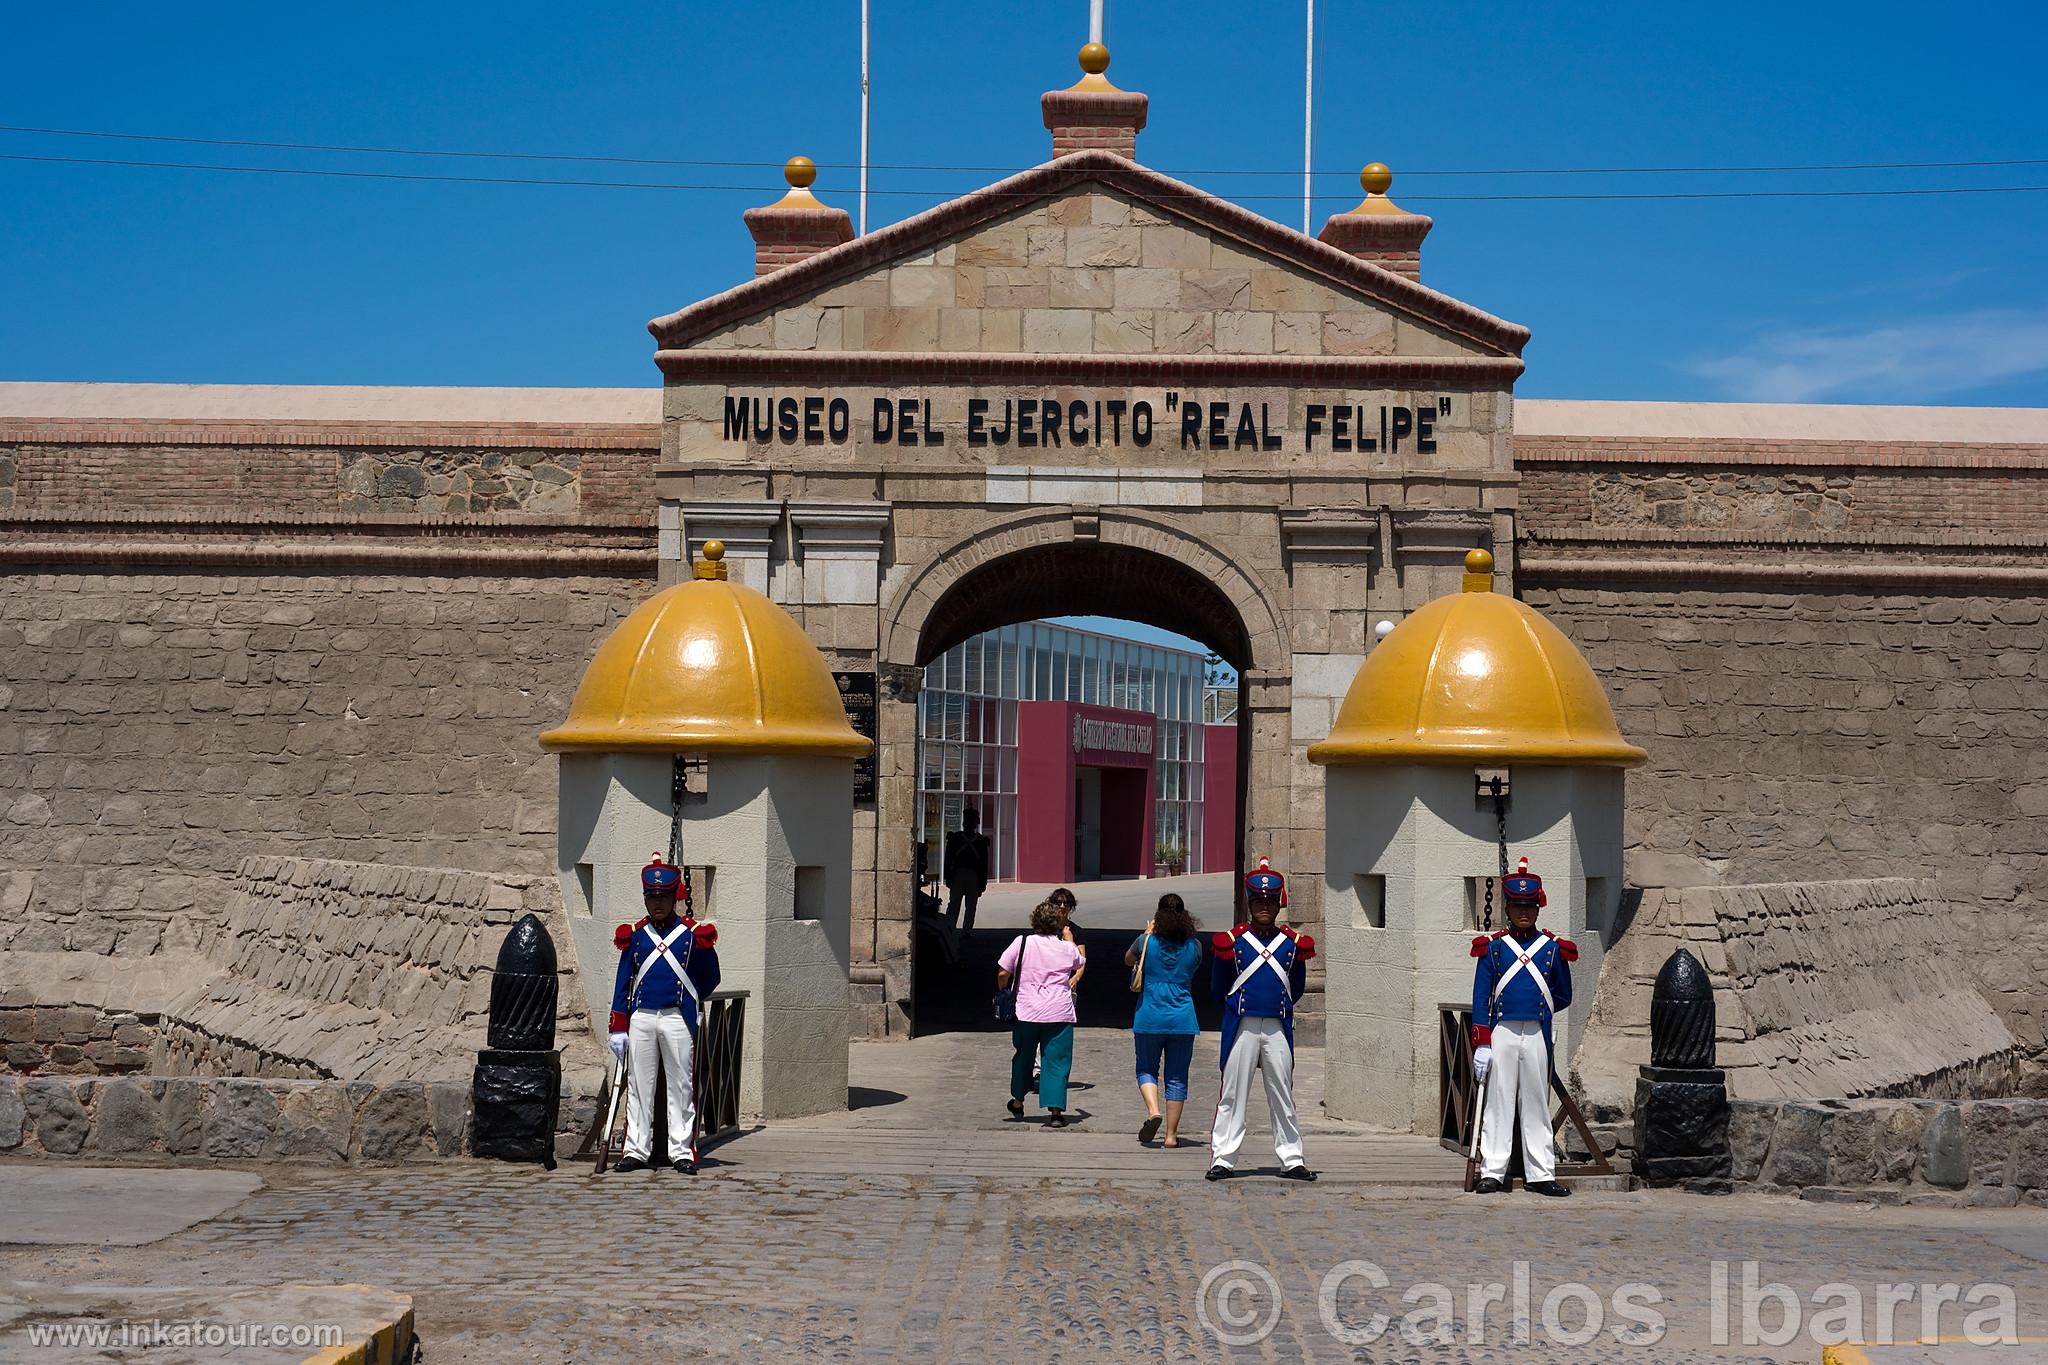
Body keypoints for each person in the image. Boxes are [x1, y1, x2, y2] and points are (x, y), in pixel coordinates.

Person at [1470, 856, 1576, 1197]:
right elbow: (1480, 996)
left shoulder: (1552, 948)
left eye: (1528, 906)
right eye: (1517, 906)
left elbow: (1562, 994)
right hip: (1502, 1031)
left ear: (1537, 907)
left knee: (1536, 1103)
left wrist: (1539, 1011)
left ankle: (1541, 1173)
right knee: (1498, 1102)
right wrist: (1482, 1042)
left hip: (1536, 1032)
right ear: (1509, 909)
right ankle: (1492, 1171)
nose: (1523, 913)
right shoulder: (1495, 947)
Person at [608, 853, 720, 1174]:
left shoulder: (692, 934)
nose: (658, 904)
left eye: (664, 897)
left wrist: (690, 1000)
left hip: (676, 1017)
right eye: (652, 897)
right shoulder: (635, 935)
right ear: (645, 898)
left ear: (675, 897)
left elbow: (711, 976)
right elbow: (623, 981)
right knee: (640, 1086)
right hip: (642, 1016)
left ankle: (681, 1151)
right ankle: (635, 1150)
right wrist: (619, 1026)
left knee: (682, 1085)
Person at [1207, 858, 1317, 1182]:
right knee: (1233, 1093)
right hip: (1242, 1024)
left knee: (1282, 1092)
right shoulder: (1233, 942)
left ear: (1278, 904)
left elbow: (1295, 987)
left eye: (1269, 902)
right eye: (1258, 902)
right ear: (1250, 904)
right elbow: (1218, 988)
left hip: (1276, 1025)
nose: (1264, 907)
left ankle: (1292, 1158)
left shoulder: (1292, 944)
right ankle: (1223, 1158)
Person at [1125, 892, 1203, 1147]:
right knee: (1177, 1075)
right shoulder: (1195, 946)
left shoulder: (1146, 941)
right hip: (1182, 1017)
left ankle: (1153, 1111)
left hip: (1150, 1015)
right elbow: (1194, 967)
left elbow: (1128, 960)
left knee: (1146, 1068)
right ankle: (1171, 1135)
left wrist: (1147, 936)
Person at [998, 901, 1085, 1127]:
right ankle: (1055, 1112)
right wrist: (1070, 940)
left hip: (1027, 1011)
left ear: (1034, 921)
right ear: (1058, 924)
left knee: (1023, 1056)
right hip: (1059, 1012)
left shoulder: (1022, 942)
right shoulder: (1066, 948)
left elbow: (1003, 972)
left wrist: (1004, 990)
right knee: (1056, 1061)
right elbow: (1079, 962)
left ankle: (1017, 1102)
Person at [943, 808, 990, 930]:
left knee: (955, 904)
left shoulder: (956, 838)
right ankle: (966, 930)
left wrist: (947, 876)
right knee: (970, 905)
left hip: (960, 874)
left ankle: (950, 928)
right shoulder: (980, 841)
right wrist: (982, 882)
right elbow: (983, 864)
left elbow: (948, 859)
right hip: (972, 875)